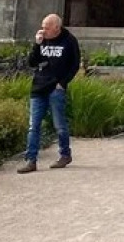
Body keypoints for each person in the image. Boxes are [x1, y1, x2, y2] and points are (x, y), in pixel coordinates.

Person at [18, 13, 80, 173]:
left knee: (59, 125)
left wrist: (62, 83)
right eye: (42, 27)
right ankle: (31, 160)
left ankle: (65, 154)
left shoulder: (69, 40)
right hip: (38, 87)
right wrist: (37, 44)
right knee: (33, 126)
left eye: (46, 28)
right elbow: (32, 62)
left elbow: (74, 65)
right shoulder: (42, 39)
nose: (43, 30)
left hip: (56, 88)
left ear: (56, 28)